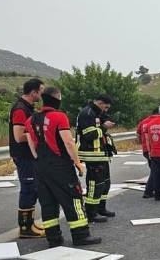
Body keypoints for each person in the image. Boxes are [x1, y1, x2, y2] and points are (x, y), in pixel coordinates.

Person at [25, 86, 101, 247]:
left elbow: (32, 145)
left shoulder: (30, 119)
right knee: (73, 199)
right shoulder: (59, 117)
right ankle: (81, 235)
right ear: (57, 99)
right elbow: (68, 142)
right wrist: (78, 163)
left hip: (40, 166)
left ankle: (54, 238)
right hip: (60, 165)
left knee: (47, 202)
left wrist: (38, 159)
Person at [9, 78, 46, 238]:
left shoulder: (28, 108)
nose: (42, 94)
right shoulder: (20, 109)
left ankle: (30, 224)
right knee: (28, 188)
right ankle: (25, 228)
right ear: (33, 92)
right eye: (41, 91)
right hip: (23, 155)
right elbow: (18, 136)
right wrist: (39, 134)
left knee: (33, 189)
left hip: (29, 155)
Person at [76, 94, 116, 222]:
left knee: (105, 183)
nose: (106, 110)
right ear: (99, 103)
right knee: (95, 184)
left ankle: (101, 208)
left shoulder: (96, 113)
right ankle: (91, 212)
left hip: (101, 154)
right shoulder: (87, 113)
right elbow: (89, 134)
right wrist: (105, 127)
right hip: (92, 155)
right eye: (106, 107)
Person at [136, 109, 158, 198]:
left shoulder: (143, 122)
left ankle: (154, 189)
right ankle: (148, 191)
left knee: (154, 169)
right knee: (155, 170)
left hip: (145, 149)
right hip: (154, 149)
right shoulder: (156, 122)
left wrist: (142, 143)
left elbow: (137, 134)